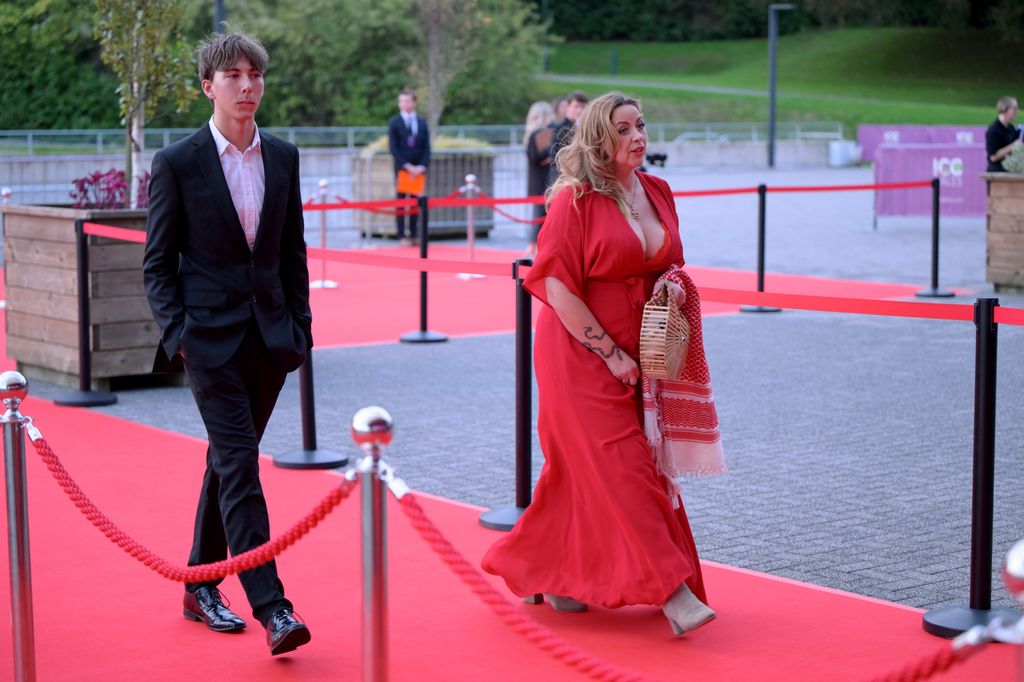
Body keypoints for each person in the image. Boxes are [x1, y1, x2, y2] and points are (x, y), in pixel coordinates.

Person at [482, 92, 719, 635]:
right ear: (598, 138)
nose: (638, 136)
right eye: (624, 128)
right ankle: (672, 591)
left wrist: (674, 294)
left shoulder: (658, 190)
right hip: (578, 351)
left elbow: (671, 264)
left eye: (642, 125)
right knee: (623, 463)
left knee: (580, 472)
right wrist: (609, 354)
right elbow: (555, 284)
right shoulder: (575, 199)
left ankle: (558, 575)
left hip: (645, 347)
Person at [143, 31, 313, 656]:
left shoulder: (285, 156)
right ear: (207, 86)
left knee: (225, 462)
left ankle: (199, 581)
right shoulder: (177, 162)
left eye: (256, 75)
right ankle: (273, 608)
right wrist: (180, 335)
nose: (248, 86)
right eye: (234, 76)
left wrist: (301, 329)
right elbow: (158, 264)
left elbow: (292, 252)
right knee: (241, 466)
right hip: (207, 343)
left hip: (270, 340)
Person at [388, 89, 431, 246]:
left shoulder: (421, 122)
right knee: (401, 201)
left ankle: (414, 233)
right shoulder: (395, 122)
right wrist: (407, 166)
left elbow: (426, 147)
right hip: (402, 169)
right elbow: (393, 148)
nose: (405, 104)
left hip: (418, 169)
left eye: (407, 101)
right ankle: (401, 234)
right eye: (402, 101)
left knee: (415, 202)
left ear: (414, 102)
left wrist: (421, 166)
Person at [524, 100, 556, 257]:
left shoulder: (541, 133)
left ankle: (538, 247)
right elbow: (535, 157)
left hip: (544, 180)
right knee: (538, 216)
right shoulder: (536, 135)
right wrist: (549, 156)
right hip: (539, 182)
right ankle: (531, 247)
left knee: (543, 216)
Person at [546, 90, 589, 187]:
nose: (580, 110)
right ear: (568, 107)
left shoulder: (587, 128)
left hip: (580, 178)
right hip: (562, 178)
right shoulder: (560, 128)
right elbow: (556, 154)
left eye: (582, 106)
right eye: (576, 106)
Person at [986, 96, 1021, 172]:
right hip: (997, 172)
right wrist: (1013, 146)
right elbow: (993, 157)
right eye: (1014, 108)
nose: (1016, 111)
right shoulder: (994, 130)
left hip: (1011, 170)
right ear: (1004, 108)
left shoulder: (1011, 128)